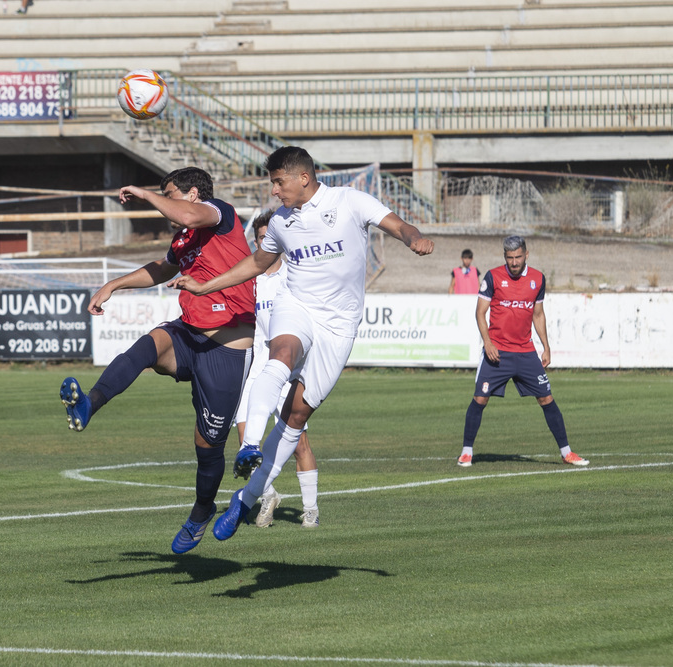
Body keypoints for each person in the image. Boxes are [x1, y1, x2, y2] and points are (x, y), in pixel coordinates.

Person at [169, 146, 434, 541]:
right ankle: (250, 445)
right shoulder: (280, 221)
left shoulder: (350, 201)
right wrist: (206, 285)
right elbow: (257, 264)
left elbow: (397, 226)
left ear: (302, 178)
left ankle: (246, 498)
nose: (274, 191)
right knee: (282, 352)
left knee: (296, 416)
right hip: (297, 305)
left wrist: (415, 237)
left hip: (340, 325)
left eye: (278, 182)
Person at [59, 166, 255, 554]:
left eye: (170, 193)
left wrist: (147, 195)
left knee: (209, 446)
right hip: (189, 332)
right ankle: (89, 403)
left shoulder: (219, 213)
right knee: (146, 347)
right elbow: (162, 267)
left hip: (227, 347)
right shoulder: (185, 238)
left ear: (193, 193)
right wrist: (113, 285)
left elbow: (183, 213)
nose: (165, 201)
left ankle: (201, 512)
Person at [456, 235, 588, 468]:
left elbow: (538, 314)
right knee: (480, 398)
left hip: (526, 352)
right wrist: (487, 342)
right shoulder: (493, 277)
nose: (514, 262)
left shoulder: (538, 279)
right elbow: (480, 312)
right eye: (509, 258)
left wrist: (545, 345)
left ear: (526, 255)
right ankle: (467, 451)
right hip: (497, 352)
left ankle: (566, 452)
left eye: (518, 257)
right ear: (504, 257)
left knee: (546, 398)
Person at [235, 210, 319, 529]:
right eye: (259, 238)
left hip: (288, 368)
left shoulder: (293, 276)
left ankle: (310, 509)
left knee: (299, 444)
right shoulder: (252, 280)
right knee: (247, 442)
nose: (265, 242)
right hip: (258, 367)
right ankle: (268, 495)